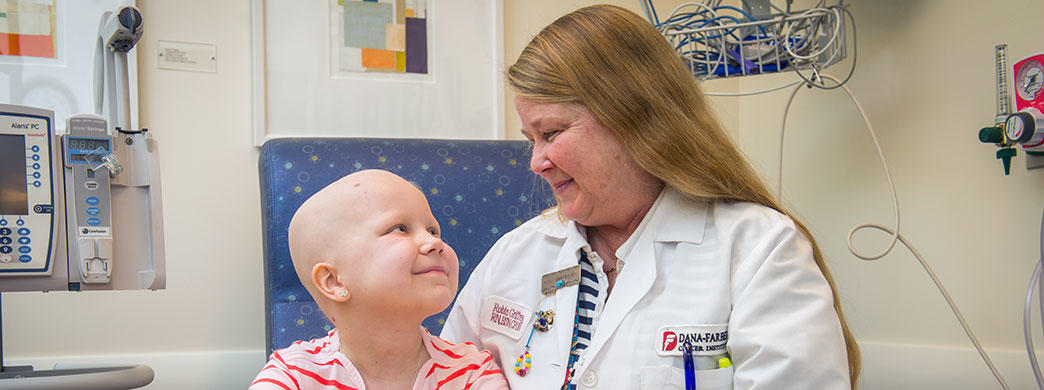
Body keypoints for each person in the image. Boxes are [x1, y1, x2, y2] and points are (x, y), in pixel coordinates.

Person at [440, 5, 860, 390]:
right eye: (530, 139)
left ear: (635, 120)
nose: (536, 162)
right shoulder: (515, 255)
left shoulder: (757, 250)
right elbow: (437, 374)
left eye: (551, 134)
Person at [250, 170, 509, 390]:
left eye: (433, 230)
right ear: (333, 282)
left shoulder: (472, 373)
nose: (435, 242)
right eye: (399, 229)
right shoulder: (292, 376)